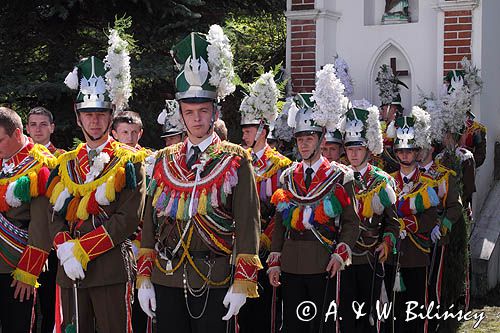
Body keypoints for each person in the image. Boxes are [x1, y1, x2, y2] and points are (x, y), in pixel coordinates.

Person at [136, 25, 262, 333]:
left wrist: (243, 280)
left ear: (215, 112)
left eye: (203, 111)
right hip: (167, 273)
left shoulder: (235, 159)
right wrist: (144, 277)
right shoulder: (165, 159)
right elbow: (151, 221)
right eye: (189, 111)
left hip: (215, 273)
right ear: (180, 112)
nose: (196, 118)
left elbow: (248, 222)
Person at [45, 52, 147, 333]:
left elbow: (127, 217)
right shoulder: (64, 164)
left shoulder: (128, 161)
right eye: (88, 115)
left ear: (111, 118)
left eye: (101, 114)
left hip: (109, 268)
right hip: (70, 272)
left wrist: (82, 250)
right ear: (78, 119)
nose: (95, 121)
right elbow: (54, 212)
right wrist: (65, 247)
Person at [268, 67, 360, 333]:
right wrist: (275, 260)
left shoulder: (339, 176)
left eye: (309, 138)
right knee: (293, 326)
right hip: (292, 261)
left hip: (323, 260)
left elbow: (351, 223)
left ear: (321, 140)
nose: (304, 144)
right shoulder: (287, 177)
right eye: (300, 139)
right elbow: (280, 224)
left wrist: (341, 254)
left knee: (323, 325)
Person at [237, 71, 292, 332]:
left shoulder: (281, 166)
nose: (245, 134)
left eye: (249, 129)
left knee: (267, 310)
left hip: (268, 245)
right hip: (240, 243)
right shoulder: (237, 161)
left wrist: (267, 239)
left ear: (262, 130)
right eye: (244, 129)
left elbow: (283, 210)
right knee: (240, 309)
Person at [339, 101, 399, 333]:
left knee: (369, 318)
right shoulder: (338, 176)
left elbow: (393, 223)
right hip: (343, 257)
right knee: (345, 317)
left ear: (368, 150)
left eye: (358, 149)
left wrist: (387, 242)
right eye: (350, 148)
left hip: (370, 258)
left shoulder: (382, 181)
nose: (353, 154)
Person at [1, 106, 57, 333]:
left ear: (16, 134)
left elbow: (41, 225)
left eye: (1, 140)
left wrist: (28, 272)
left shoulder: (40, 163)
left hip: (16, 267)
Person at [384, 107, 439, 333]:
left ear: (418, 152)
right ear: (396, 153)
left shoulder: (428, 182)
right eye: (401, 151)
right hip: (391, 255)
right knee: (392, 313)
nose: (405, 155)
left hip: (416, 255)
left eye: (410, 151)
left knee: (416, 310)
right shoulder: (386, 182)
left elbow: (430, 218)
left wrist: (408, 224)